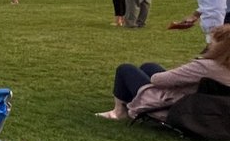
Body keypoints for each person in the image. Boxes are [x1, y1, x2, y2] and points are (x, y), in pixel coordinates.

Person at [97, 24, 230, 120]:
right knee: (149, 67)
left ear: (221, 47)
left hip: (174, 106)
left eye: (213, 42)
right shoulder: (221, 68)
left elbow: (158, 80)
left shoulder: (206, 67)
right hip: (210, 108)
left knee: (126, 69)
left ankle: (119, 111)